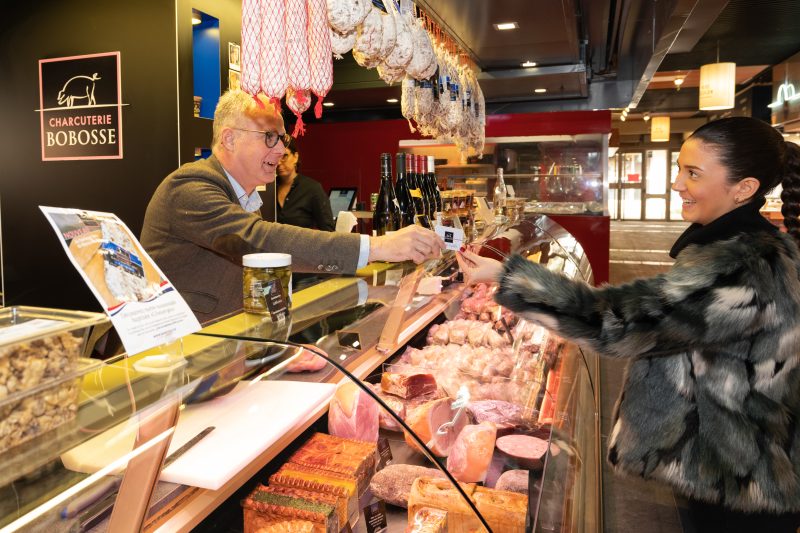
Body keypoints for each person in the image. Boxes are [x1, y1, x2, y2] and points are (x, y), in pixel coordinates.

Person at [458, 117, 800, 532]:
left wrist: (509, 277)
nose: (677, 184)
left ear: (744, 188)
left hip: (740, 475)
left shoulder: (736, 266)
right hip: (744, 455)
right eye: (679, 169)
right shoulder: (759, 248)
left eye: (693, 173)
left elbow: (615, 322)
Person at [141, 90, 444, 323]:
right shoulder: (190, 187)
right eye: (269, 138)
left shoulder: (243, 195)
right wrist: (377, 247)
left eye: (282, 139)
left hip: (226, 350)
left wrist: (280, 338)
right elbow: (259, 242)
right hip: (182, 353)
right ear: (229, 139)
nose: (282, 149)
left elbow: (258, 276)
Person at [276, 137, 334, 231]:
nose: (278, 162)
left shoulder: (312, 189)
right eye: (276, 157)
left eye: (284, 156)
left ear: (295, 157)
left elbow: (328, 231)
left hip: (302, 245)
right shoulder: (269, 191)